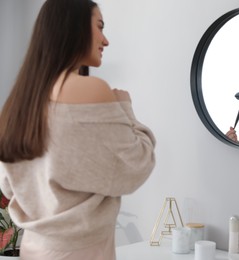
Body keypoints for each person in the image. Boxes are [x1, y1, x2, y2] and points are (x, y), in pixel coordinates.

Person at [0, 0, 156, 259]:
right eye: (100, 26)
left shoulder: (19, 103)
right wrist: (125, 107)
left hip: (33, 249)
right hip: (82, 252)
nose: (105, 41)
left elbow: (7, 185)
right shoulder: (92, 90)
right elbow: (137, 166)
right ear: (73, 29)